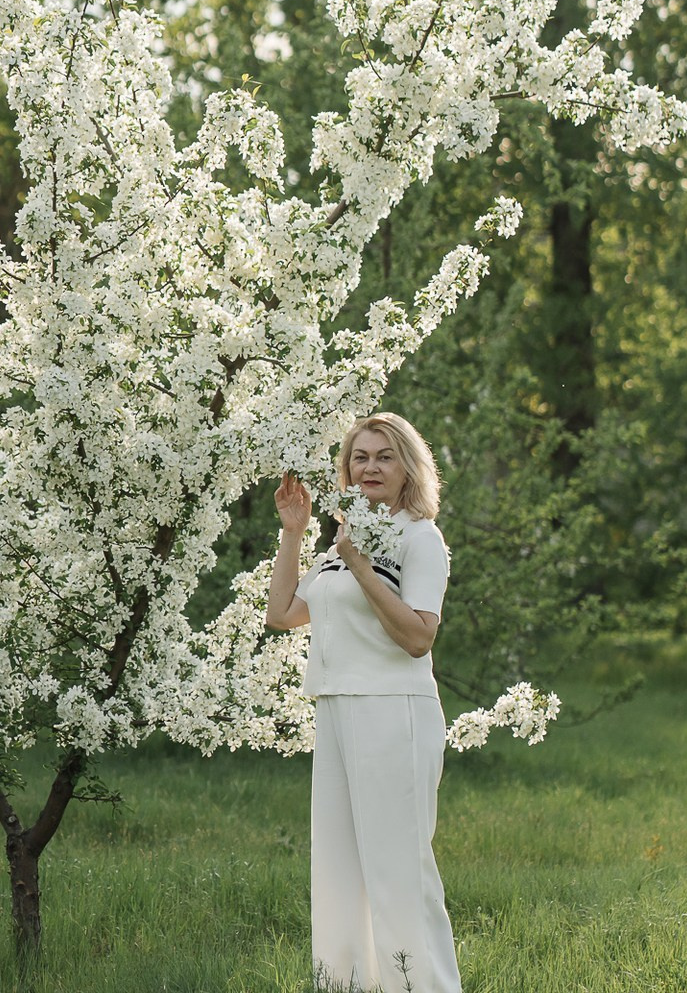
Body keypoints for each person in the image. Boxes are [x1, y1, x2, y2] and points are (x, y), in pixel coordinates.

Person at [266, 412, 462, 993]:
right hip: (336, 711)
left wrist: (358, 562)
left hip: (392, 712)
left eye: (384, 456)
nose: (369, 467)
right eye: (359, 456)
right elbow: (282, 615)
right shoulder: (341, 543)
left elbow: (418, 636)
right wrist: (295, 533)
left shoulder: (419, 538)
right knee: (339, 872)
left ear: (408, 469)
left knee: (399, 872)